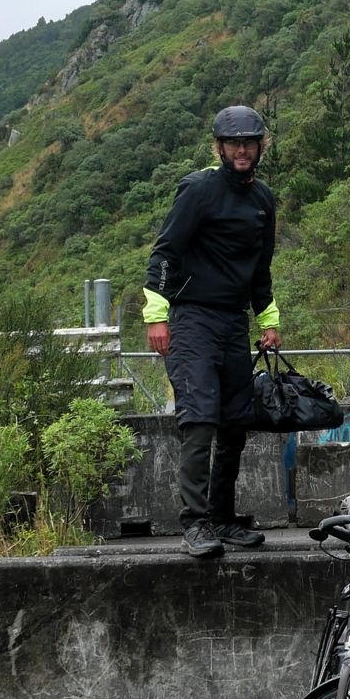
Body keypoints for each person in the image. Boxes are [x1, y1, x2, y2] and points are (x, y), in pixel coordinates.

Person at [144, 104, 281, 558]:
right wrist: (157, 315)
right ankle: (195, 523)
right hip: (192, 320)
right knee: (200, 419)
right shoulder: (198, 189)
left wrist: (268, 321)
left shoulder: (263, 199)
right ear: (219, 147)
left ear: (261, 147)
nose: (242, 151)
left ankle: (222, 518)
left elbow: (260, 269)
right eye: (233, 143)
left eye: (249, 143)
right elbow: (165, 253)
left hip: (233, 321)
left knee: (236, 422)